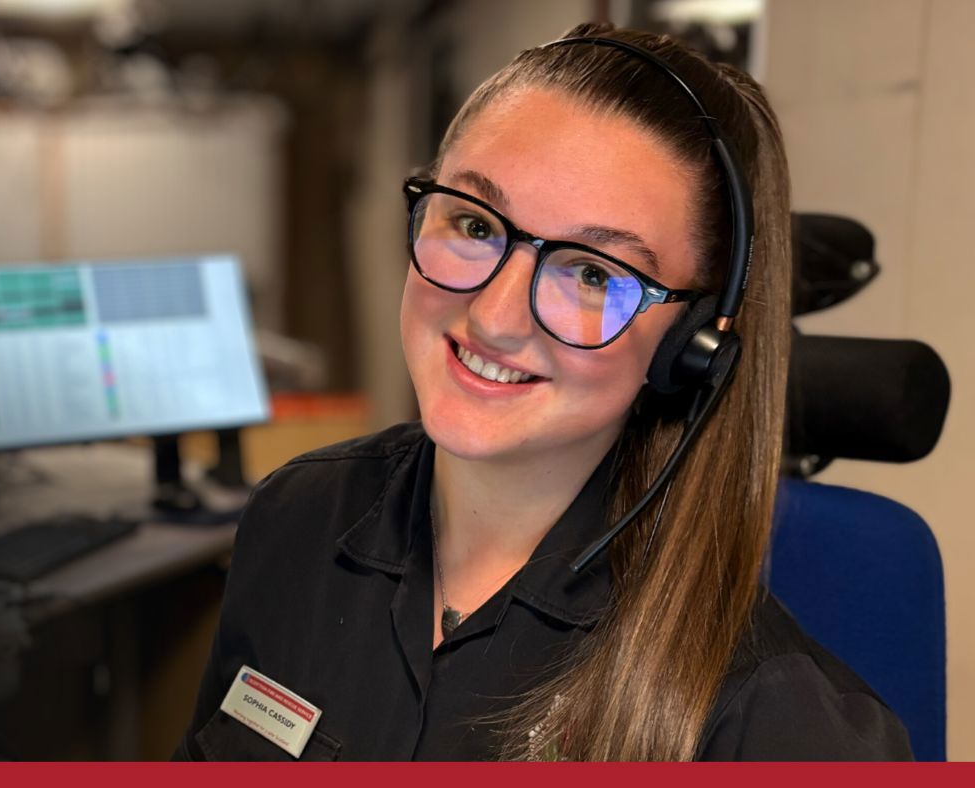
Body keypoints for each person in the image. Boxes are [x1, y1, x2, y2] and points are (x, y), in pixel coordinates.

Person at [174, 22, 913, 761]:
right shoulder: (294, 518)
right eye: (472, 222)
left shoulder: (777, 722)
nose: (493, 316)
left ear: (690, 344)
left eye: (591, 273)